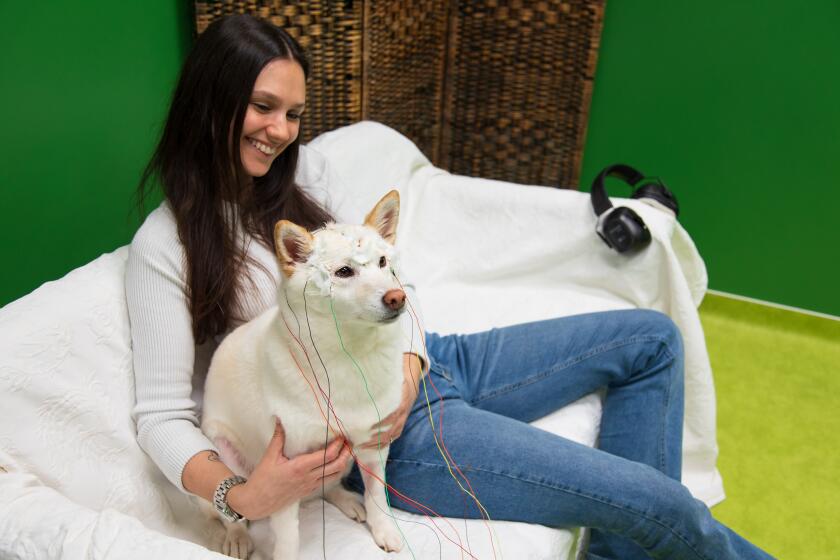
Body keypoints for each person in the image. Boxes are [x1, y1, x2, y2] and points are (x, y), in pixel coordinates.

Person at [126, 14, 774, 560]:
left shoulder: (304, 178)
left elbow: (386, 281)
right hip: (384, 433)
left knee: (652, 337)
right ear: (210, 102)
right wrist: (239, 496)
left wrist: (411, 358)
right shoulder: (168, 245)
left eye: (293, 113)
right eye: (264, 107)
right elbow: (161, 415)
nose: (282, 131)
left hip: (434, 358)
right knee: (657, 501)